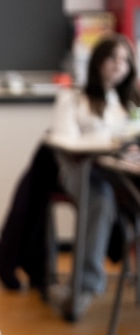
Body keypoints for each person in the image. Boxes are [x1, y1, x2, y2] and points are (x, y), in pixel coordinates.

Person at [47, 33, 139, 305]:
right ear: (98, 61)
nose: (118, 65)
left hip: (121, 171)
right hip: (82, 171)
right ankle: (84, 286)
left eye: (125, 60)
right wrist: (107, 141)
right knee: (100, 199)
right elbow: (65, 140)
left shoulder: (128, 103)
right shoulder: (73, 98)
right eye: (112, 58)